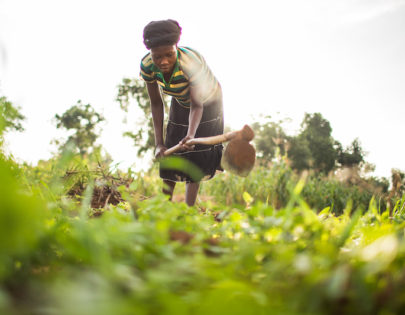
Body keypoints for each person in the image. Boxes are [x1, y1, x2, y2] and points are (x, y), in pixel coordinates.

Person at [140, 19, 224, 206]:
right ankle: (164, 206)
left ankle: (188, 210)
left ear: (176, 48)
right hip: (180, 98)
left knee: (195, 154)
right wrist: (159, 144)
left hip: (208, 101)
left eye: (169, 55)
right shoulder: (147, 66)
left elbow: (197, 105)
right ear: (150, 54)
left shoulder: (190, 64)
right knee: (170, 151)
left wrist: (190, 136)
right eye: (157, 56)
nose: (163, 61)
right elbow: (156, 103)